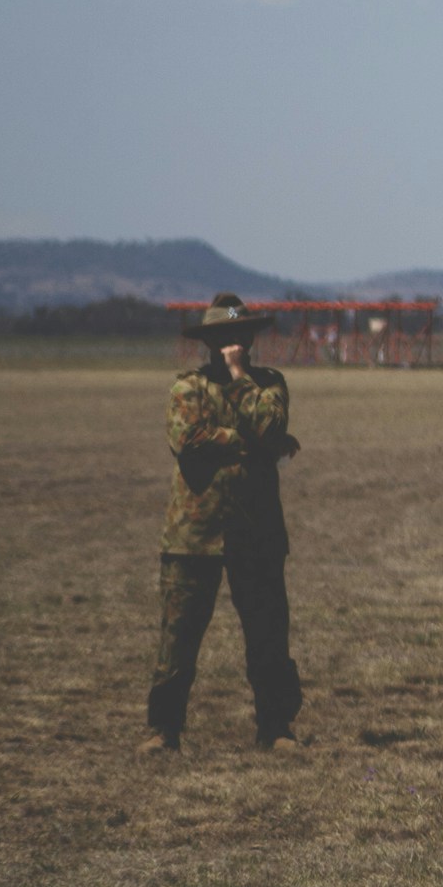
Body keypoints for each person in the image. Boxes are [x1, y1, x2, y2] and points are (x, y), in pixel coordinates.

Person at [146, 292, 304, 754]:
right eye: (223, 338)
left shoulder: (268, 385)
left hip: (256, 534)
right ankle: (163, 730)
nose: (233, 343)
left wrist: (239, 379)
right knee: (178, 643)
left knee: (269, 639)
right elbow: (188, 440)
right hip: (193, 537)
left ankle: (276, 729)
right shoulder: (187, 388)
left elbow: (271, 425)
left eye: (240, 335)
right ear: (209, 342)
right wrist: (252, 444)